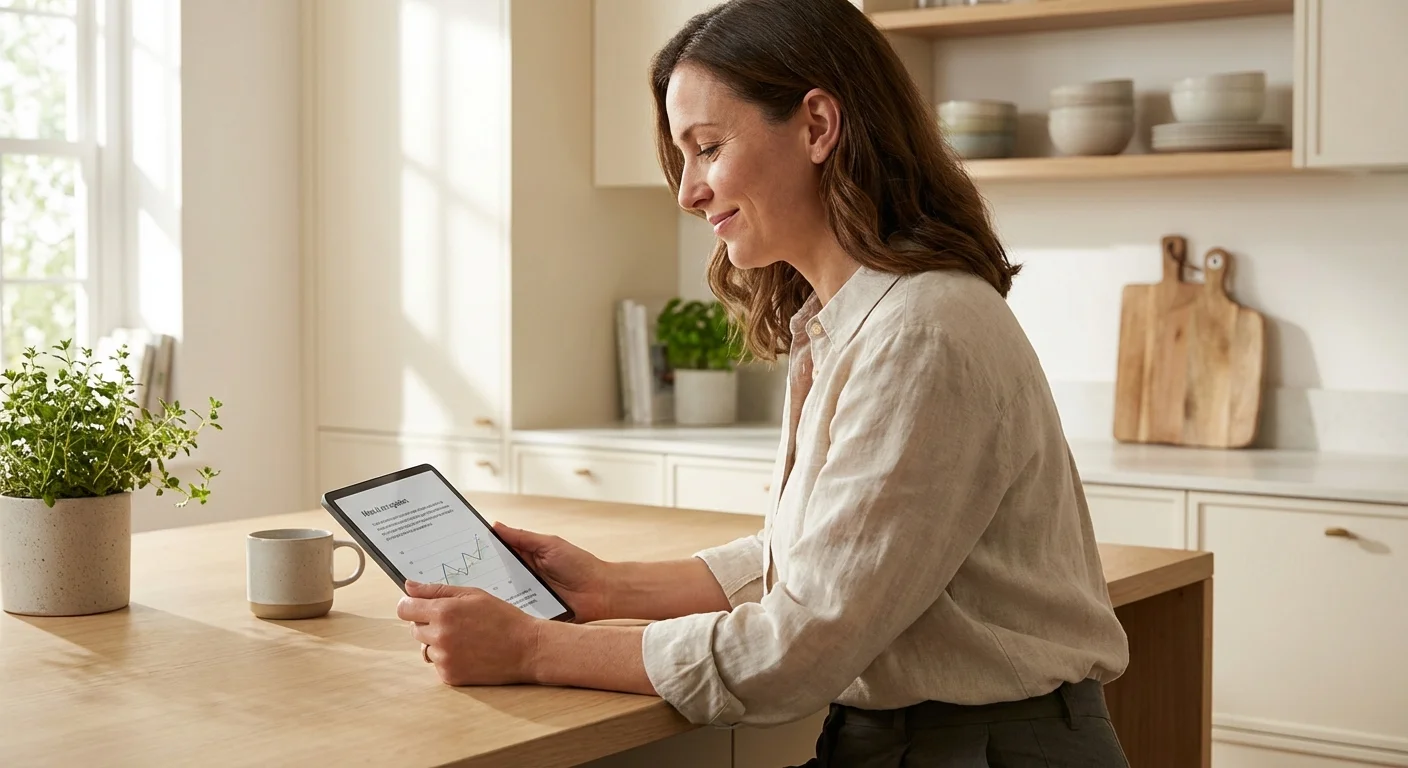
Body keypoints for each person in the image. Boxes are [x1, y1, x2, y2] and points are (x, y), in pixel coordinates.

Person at [395, 0, 1131, 764]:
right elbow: (814, 559)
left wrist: (533, 649)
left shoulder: (922, 331)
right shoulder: (852, 321)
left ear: (817, 126)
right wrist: (609, 589)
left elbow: (797, 648)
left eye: (707, 147)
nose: (688, 191)